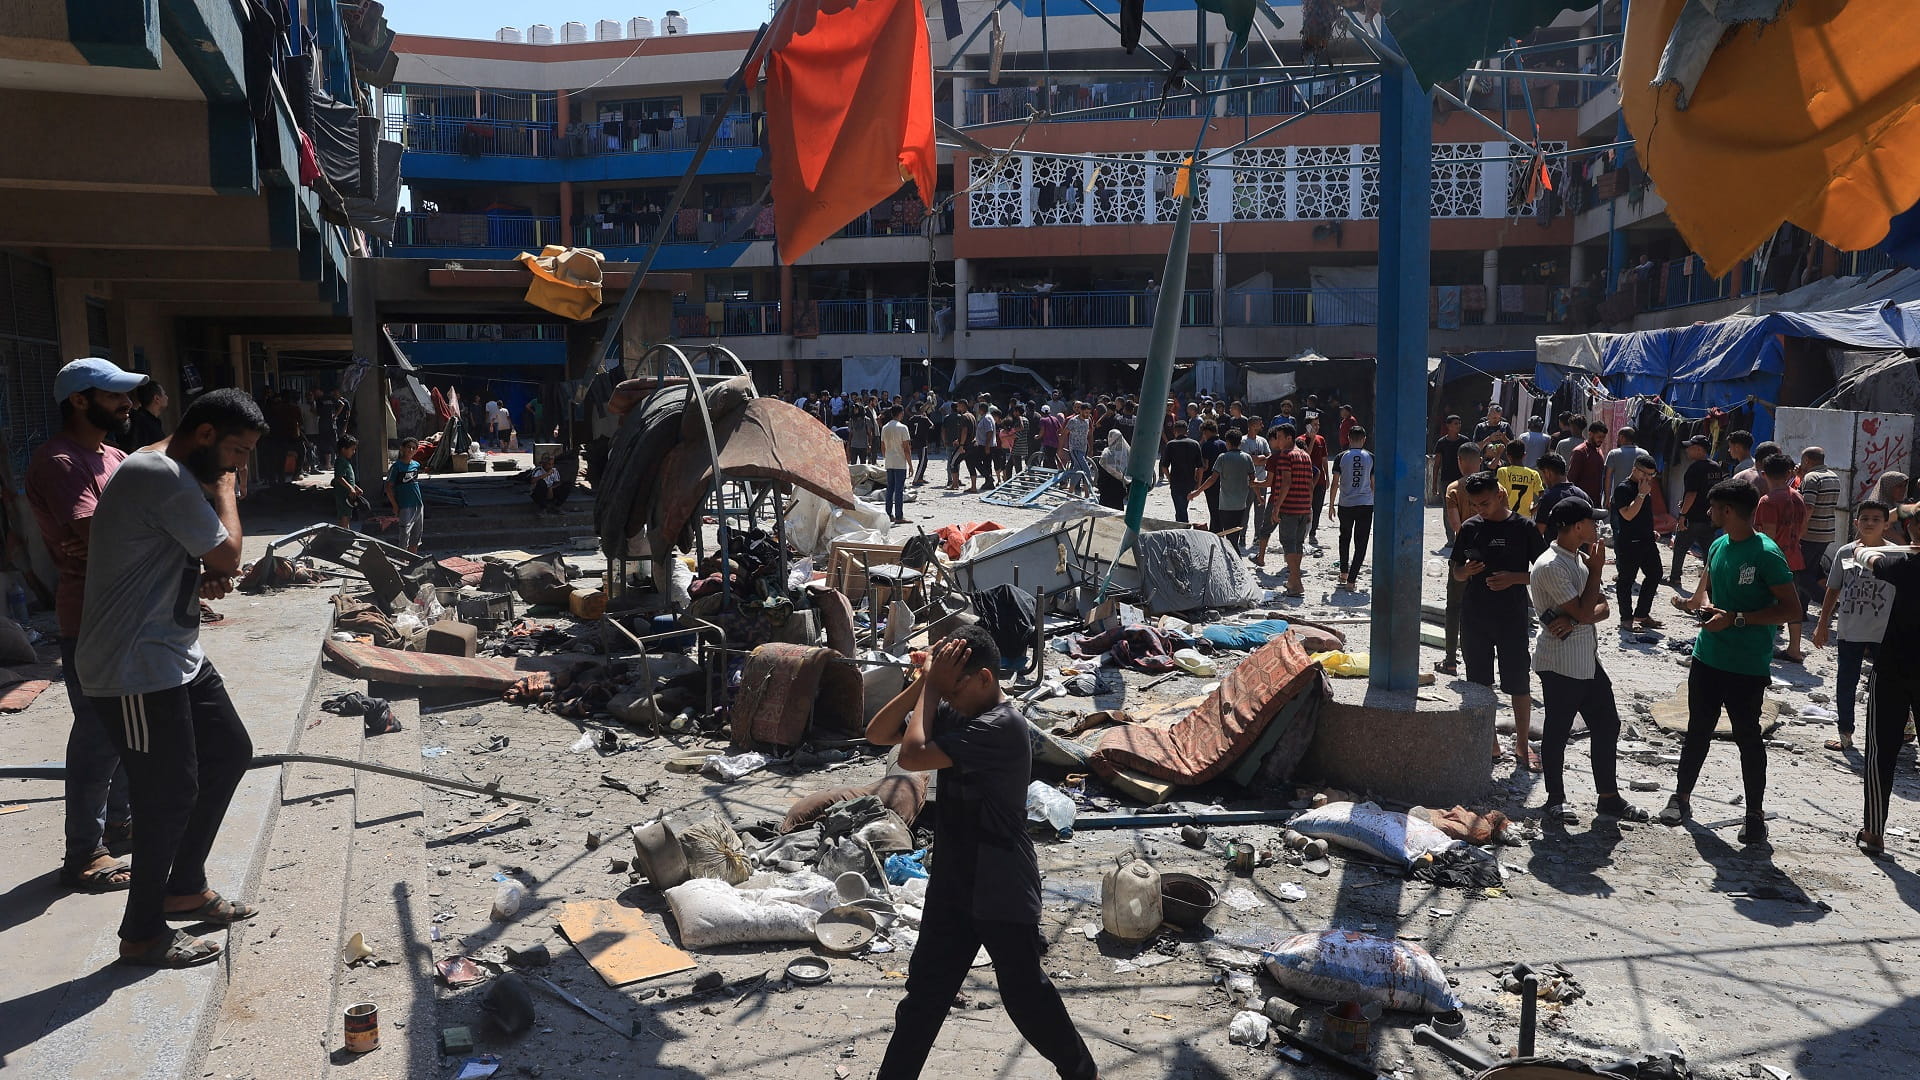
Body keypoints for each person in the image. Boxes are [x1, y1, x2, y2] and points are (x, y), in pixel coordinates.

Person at [79, 387, 267, 967]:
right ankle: (142, 933)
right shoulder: (160, 473)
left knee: (230, 750)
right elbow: (230, 555)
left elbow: (199, 559)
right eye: (236, 452)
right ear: (205, 435)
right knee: (166, 794)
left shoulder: (173, 477)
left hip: (174, 653)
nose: (239, 466)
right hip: (134, 665)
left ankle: (185, 884)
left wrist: (197, 571)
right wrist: (226, 493)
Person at [865, 628, 1099, 1080]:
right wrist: (924, 683)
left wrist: (933, 690)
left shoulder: (1001, 725)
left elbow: (911, 756)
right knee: (925, 997)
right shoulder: (957, 708)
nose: (946, 698)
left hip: (1000, 882)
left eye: (955, 687)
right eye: (945, 689)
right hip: (955, 879)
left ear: (984, 679)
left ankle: (1082, 1073)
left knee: (1026, 996)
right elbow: (878, 733)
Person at [27, 357, 144, 894]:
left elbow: (125, 530)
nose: (126, 404)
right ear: (80, 400)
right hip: (91, 615)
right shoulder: (58, 460)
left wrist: (122, 534)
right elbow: (96, 535)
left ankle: (119, 823)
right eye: (114, 395)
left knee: (125, 730)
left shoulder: (116, 457)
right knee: (99, 732)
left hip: (129, 607)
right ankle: (84, 852)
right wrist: (116, 536)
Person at [1666, 480, 1802, 842]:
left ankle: (1754, 814)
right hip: (1707, 656)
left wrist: (1738, 618)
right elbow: (1714, 598)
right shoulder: (1716, 546)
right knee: (1697, 730)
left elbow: (1792, 610)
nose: (1708, 514)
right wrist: (1704, 610)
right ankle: (1681, 798)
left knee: (1747, 736)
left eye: (1712, 508)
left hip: (1746, 665)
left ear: (1727, 511)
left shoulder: (1766, 553)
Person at [1531, 498, 1650, 825]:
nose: (1597, 527)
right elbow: (1588, 610)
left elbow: (1603, 608)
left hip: (1586, 659)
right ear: (1576, 526)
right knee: (1557, 731)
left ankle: (1608, 798)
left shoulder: (1581, 560)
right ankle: (1555, 800)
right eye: (1591, 521)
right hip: (1560, 662)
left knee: (1607, 725)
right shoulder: (1551, 565)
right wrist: (1594, 578)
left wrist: (1575, 619)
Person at [1451, 471, 1548, 769]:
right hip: (1475, 616)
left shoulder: (1524, 528)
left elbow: (1544, 573)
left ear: (1500, 495)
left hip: (1512, 616)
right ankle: (1490, 743)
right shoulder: (1469, 528)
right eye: (1475, 504)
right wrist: (1466, 571)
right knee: (1479, 683)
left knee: (1518, 682)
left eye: (1485, 503)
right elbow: (1456, 572)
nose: (1481, 509)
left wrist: (1514, 578)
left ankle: (1522, 745)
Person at [1849, 540, 1920, 857]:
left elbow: (1871, 559)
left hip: (1893, 669)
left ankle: (1874, 832)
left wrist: (1859, 549)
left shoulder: (1907, 567)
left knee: (1880, 753)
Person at [1812, 501, 1895, 752]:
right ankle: (1846, 734)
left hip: (1885, 631)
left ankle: (1885, 736)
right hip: (1850, 628)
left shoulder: (1896, 554)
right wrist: (1822, 623)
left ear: (1886, 524)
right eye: (1865, 518)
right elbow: (1833, 589)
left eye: (1876, 519)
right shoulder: (1845, 553)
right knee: (1845, 682)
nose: (1870, 523)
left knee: (1887, 686)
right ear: (1856, 522)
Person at [1754, 453, 1810, 662]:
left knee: (1766, 604)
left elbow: (1768, 536)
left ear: (1763, 474)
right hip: (1794, 557)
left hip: (1773, 560)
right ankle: (1794, 649)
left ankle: (1763, 645)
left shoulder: (1767, 501)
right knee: (1792, 603)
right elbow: (1802, 528)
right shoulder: (1797, 496)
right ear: (1788, 473)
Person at [1436, 443, 1484, 676]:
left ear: (1459, 461)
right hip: (1489, 558)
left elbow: (1457, 527)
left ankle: (1451, 660)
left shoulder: (1454, 489)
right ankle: (1478, 660)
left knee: (1454, 608)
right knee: (1481, 610)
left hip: (1463, 558)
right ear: (1480, 461)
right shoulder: (1496, 489)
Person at [1255, 423, 1314, 597]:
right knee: (1298, 544)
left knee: (1288, 543)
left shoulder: (1286, 456)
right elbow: (1310, 484)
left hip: (1289, 507)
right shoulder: (1305, 455)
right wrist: (1309, 507)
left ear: (1289, 438)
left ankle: (1296, 582)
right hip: (1303, 507)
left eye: (1280, 437)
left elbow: (1286, 483)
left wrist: (1277, 507)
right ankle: (1294, 581)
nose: (1277, 440)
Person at [1610, 452, 1666, 632]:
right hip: (1628, 542)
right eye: (1645, 474)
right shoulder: (1624, 489)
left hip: (1646, 540)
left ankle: (1642, 614)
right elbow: (1627, 515)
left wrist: (1651, 530)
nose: (1648, 478)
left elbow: (1643, 514)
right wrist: (1641, 495)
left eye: (1651, 475)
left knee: (1655, 573)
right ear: (1635, 470)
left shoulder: (1645, 488)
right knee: (1626, 580)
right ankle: (1626, 618)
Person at [1670, 435, 1725, 590]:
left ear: (1700, 449)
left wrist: (1682, 515)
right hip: (1710, 517)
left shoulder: (1695, 468)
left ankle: (1675, 578)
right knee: (1709, 551)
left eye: (1691, 447)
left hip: (1693, 517)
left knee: (1680, 546)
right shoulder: (1716, 467)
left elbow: (1692, 494)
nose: (1687, 450)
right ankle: (1711, 582)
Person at [1193, 430, 1255, 552]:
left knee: (1227, 535)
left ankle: (1234, 559)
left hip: (1225, 504)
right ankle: (1234, 557)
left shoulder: (1223, 458)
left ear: (1228, 443)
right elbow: (1253, 480)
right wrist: (1259, 496)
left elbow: (1212, 479)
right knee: (1234, 535)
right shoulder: (1247, 458)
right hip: (1241, 503)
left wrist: (1197, 491)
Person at [1331, 426, 1375, 590]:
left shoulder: (1341, 457)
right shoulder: (1370, 457)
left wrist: (1331, 505)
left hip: (1345, 504)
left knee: (1345, 537)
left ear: (1349, 438)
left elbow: (1335, 484)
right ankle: (1352, 580)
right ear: (1364, 439)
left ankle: (1343, 572)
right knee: (1361, 542)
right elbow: (1373, 484)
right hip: (1365, 504)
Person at [1797, 446, 1843, 595]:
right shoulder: (1833, 476)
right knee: (1812, 570)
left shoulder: (1812, 478)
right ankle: (1802, 609)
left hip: (1810, 533)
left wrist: (1800, 529)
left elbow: (1808, 507)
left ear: (1806, 460)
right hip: (1826, 533)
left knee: (1800, 573)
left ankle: (1825, 600)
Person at [1531, 452, 1588, 533]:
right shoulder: (1583, 495)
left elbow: (1538, 534)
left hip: (1555, 545)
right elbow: (1591, 531)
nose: (1543, 480)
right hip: (1580, 545)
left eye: (1542, 475)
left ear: (1548, 473)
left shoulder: (1547, 499)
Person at [387, 437, 425, 553]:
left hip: (418, 504)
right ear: (402, 448)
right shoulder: (396, 467)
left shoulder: (416, 465)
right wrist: (395, 505)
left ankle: (413, 562)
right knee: (404, 535)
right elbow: (388, 487)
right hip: (404, 505)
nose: (411, 450)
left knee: (416, 535)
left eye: (414, 448)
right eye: (409, 447)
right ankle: (402, 561)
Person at [1162, 427, 1204, 524]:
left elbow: (1164, 467)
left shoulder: (1171, 444)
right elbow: (1200, 467)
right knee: (1182, 508)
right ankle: (1181, 526)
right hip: (1189, 482)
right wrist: (1198, 484)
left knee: (1180, 509)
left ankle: (1183, 528)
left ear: (1175, 431)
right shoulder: (1195, 444)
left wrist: (1170, 479)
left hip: (1176, 482)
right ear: (1187, 432)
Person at [1302, 416, 1330, 551]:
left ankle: (1313, 533)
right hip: (1305, 481)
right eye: (1314, 425)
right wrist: (1312, 439)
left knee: (1317, 508)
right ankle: (1302, 533)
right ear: (1307, 426)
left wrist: (1327, 476)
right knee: (1305, 508)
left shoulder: (1322, 440)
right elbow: (1306, 455)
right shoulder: (1300, 440)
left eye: (1318, 424)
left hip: (1320, 480)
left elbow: (1324, 459)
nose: (1317, 427)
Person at [881, 405, 912, 524]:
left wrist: (886, 457)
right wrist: (910, 464)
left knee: (890, 489)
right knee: (899, 490)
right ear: (900, 413)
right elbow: (906, 448)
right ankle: (899, 516)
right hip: (899, 462)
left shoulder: (885, 427)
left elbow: (882, 446)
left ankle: (889, 514)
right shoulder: (903, 428)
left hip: (889, 461)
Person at [1496, 439, 1543, 518]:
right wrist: (1533, 510)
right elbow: (1543, 496)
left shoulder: (1502, 471)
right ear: (1524, 455)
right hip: (1524, 518)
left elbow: (1499, 494)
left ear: (1508, 455)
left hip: (1506, 516)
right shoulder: (1533, 474)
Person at [119, 379, 168, 453]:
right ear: (157, 398)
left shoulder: (153, 421)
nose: (167, 397)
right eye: (164, 394)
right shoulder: (138, 421)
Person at [1567, 421, 1608, 505]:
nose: (1601, 440)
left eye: (1603, 437)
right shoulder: (1580, 452)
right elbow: (1571, 479)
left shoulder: (1598, 451)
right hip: (1581, 502)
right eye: (1599, 437)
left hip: (1596, 501)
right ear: (1590, 434)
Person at [332, 435, 363, 527]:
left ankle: (346, 534)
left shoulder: (346, 461)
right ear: (343, 449)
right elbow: (339, 478)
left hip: (348, 495)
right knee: (344, 516)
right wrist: (350, 488)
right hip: (343, 495)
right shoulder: (340, 461)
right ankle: (343, 537)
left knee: (347, 515)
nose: (354, 452)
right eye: (352, 449)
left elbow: (348, 479)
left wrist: (356, 488)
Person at [1095, 429, 1129, 509]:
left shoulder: (1106, 453)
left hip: (1106, 489)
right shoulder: (1127, 453)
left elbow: (1102, 471)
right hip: (1119, 489)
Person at [1434, 415, 1468, 495]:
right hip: (1446, 479)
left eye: (1459, 423)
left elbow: (1468, 460)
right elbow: (1437, 465)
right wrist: (1434, 484)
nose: (1458, 426)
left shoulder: (1465, 441)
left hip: (1461, 479)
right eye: (1456, 424)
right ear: (1448, 426)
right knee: (1447, 505)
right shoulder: (1441, 443)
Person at [1604, 426, 1641, 494]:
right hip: (1639, 497)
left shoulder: (1614, 454)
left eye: (1618, 437)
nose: (1617, 440)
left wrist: (1607, 498)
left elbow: (1608, 477)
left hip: (1619, 497)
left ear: (1621, 437)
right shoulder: (1644, 453)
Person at [907, 404, 935, 485]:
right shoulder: (925, 418)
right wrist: (926, 417)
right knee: (922, 461)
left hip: (914, 440)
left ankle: (920, 477)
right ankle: (916, 479)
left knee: (924, 460)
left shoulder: (912, 418)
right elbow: (932, 426)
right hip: (922, 441)